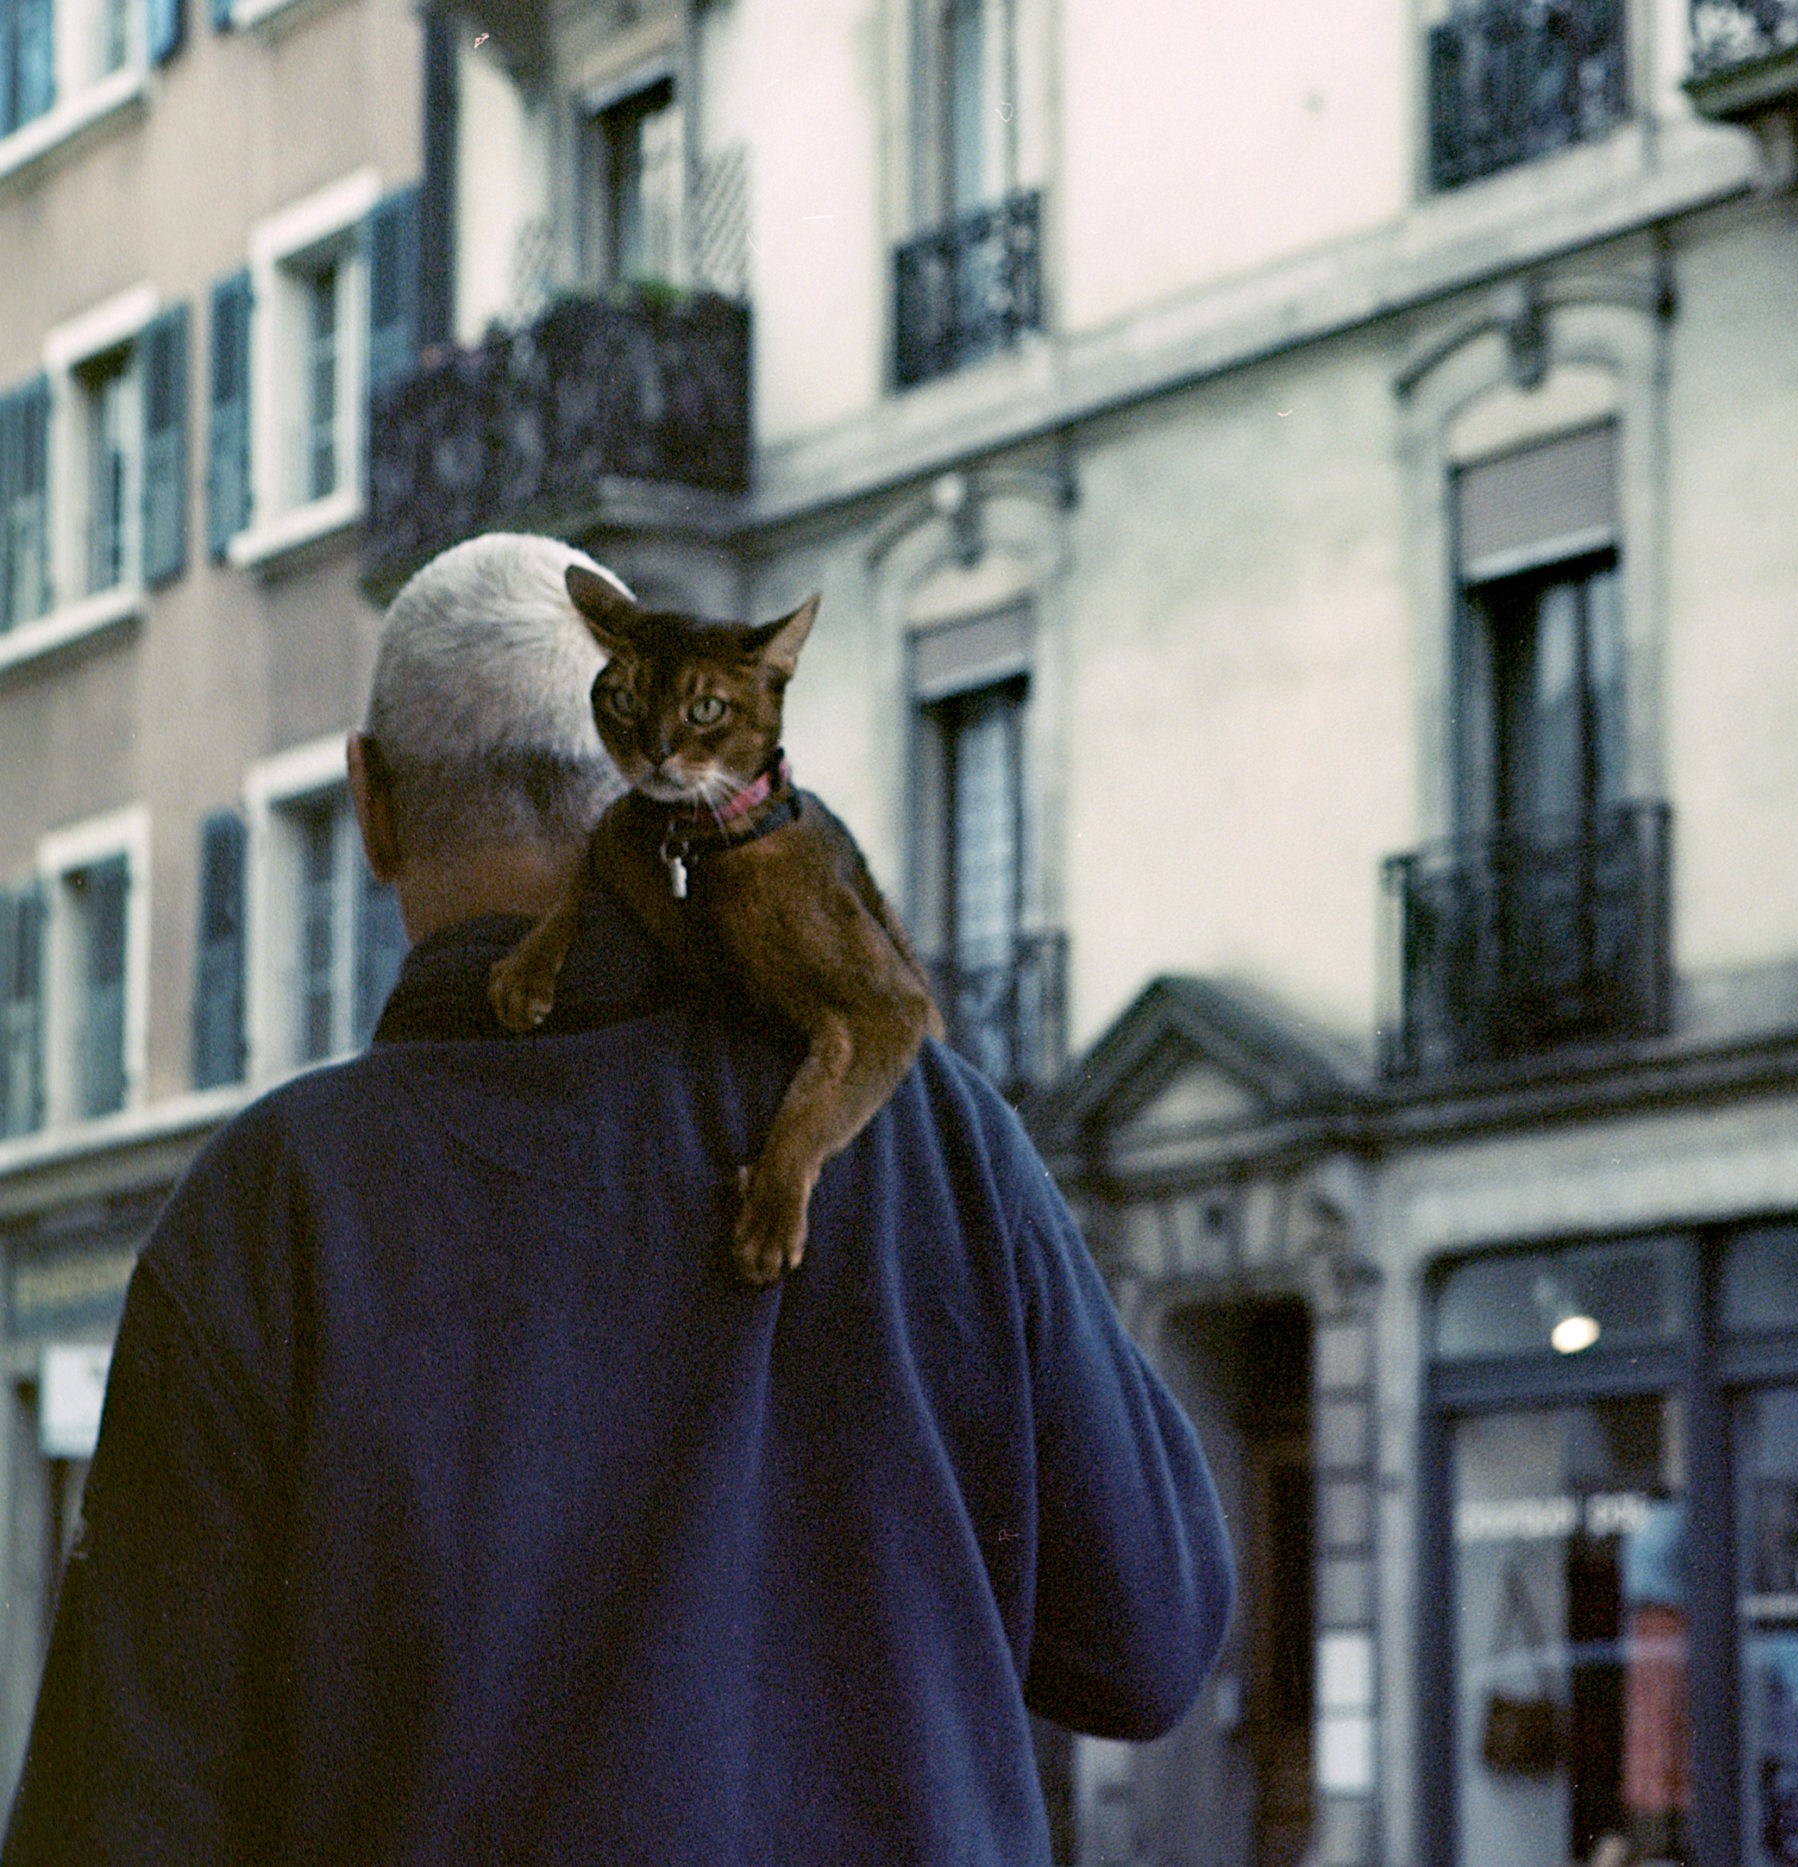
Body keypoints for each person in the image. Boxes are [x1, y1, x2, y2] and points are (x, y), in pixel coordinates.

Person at [1, 533, 1234, 1862]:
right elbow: (1150, 1643)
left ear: (368, 806)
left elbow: (117, 1821)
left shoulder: (267, 1215)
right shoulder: (922, 1134)